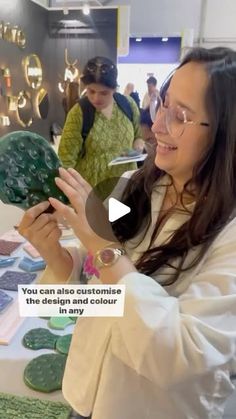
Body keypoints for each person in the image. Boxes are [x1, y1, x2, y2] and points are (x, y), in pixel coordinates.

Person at [18, 46, 236, 419]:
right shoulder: (134, 187)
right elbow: (98, 275)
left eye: (180, 114)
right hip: (86, 394)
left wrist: (102, 246)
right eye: (163, 104)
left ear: (225, 132)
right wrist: (57, 254)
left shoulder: (229, 233)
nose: (160, 124)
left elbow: (181, 354)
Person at [58, 56, 144, 198]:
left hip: (126, 191)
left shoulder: (128, 105)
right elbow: (65, 160)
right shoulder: (79, 113)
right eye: (91, 91)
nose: (96, 98)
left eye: (104, 93)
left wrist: (138, 143)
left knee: (125, 220)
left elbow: (138, 135)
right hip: (93, 195)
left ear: (115, 88)